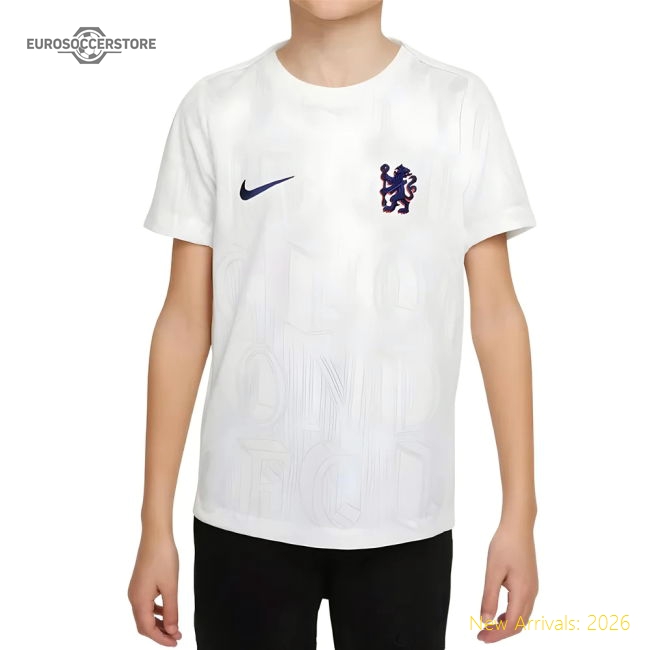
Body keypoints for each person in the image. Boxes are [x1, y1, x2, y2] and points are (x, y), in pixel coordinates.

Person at [127, 1, 539, 648]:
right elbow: (184, 322)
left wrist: (520, 514)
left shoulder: (454, 105)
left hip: (403, 517)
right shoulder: (218, 109)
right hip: (243, 514)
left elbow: (497, 317)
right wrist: (155, 524)